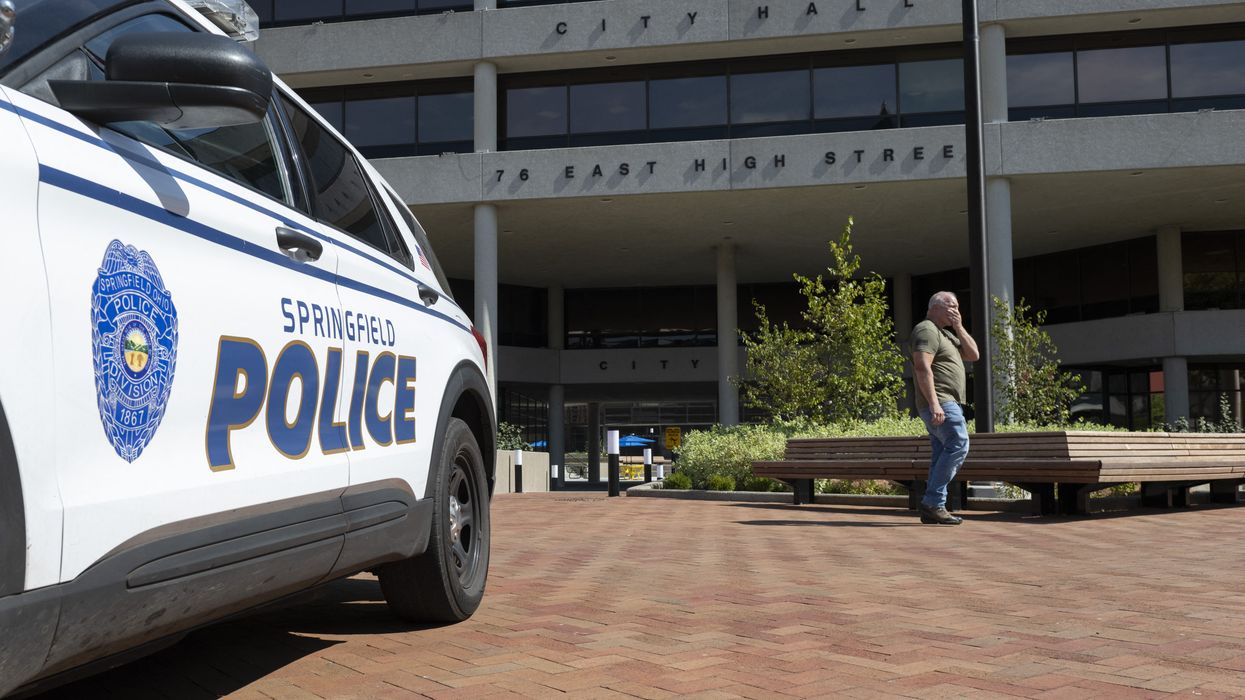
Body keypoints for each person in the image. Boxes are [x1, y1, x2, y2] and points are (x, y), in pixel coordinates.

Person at [910, 291, 980, 525]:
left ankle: (933, 507)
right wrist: (934, 403)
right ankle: (933, 503)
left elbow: (973, 354)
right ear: (935, 307)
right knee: (959, 444)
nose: (955, 310)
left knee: (943, 452)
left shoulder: (946, 334)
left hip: (947, 403)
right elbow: (922, 367)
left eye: (958, 307)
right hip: (941, 402)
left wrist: (959, 326)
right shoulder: (927, 329)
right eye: (951, 306)